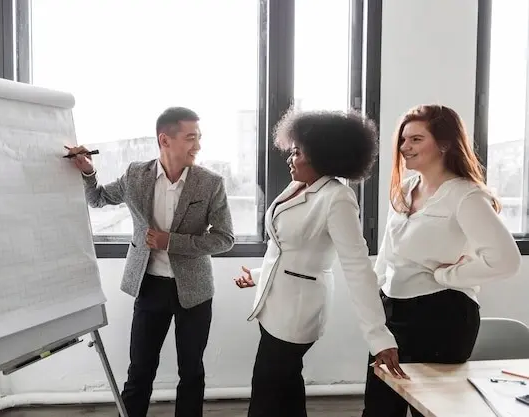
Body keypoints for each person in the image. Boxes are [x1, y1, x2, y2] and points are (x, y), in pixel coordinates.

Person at [234, 108, 406, 417]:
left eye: (297, 152)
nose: (290, 158)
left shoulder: (337, 198)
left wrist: (378, 336)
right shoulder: (299, 186)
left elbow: (357, 268)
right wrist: (258, 276)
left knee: (266, 395)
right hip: (273, 305)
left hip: (297, 314)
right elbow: (289, 251)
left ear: (322, 156)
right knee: (286, 390)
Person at [65, 106, 235, 417]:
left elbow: (224, 238)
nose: (198, 145)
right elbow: (98, 199)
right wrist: (88, 171)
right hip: (149, 286)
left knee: (191, 372)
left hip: (194, 291)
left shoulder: (210, 183)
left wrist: (171, 242)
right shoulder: (136, 175)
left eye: (199, 137)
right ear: (164, 140)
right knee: (140, 370)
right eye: (191, 138)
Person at [361, 104, 522, 417]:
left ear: (445, 144)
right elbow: (388, 254)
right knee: (379, 408)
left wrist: (446, 276)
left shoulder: (466, 195)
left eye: (416, 139)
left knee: (433, 409)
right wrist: (374, 303)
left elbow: (506, 260)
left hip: (442, 315)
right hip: (393, 312)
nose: (405, 147)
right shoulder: (405, 189)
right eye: (403, 139)